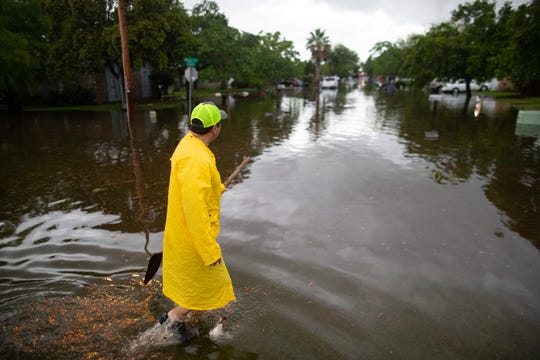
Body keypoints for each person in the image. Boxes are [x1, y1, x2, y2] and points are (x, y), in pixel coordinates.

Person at [159, 102, 235, 341]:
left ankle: (191, 329)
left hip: (184, 234)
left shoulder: (188, 144)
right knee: (221, 288)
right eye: (219, 124)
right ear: (215, 129)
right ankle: (174, 318)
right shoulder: (197, 159)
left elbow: (194, 192)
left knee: (198, 289)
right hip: (194, 239)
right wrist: (209, 252)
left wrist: (216, 189)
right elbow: (195, 211)